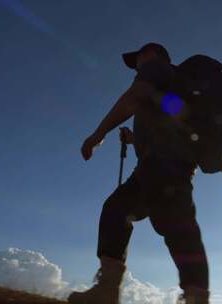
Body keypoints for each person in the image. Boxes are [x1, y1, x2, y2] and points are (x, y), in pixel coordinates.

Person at [67, 43, 210, 304]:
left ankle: (195, 298)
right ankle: (107, 291)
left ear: (155, 55)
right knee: (119, 211)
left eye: (139, 59)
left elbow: (135, 97)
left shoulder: (156, 69)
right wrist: (135, 139)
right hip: (160, 164)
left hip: (163, 165)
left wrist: (99, 134)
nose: (136, 66)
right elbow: (175, 116)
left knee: (176, 227)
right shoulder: (174, 81)